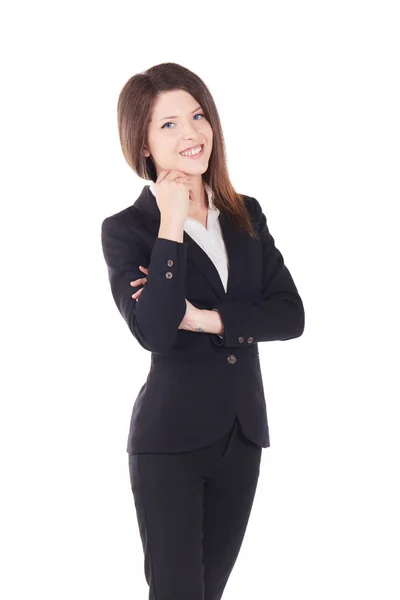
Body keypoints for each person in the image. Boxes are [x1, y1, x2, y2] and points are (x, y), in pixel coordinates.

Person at [101, 62, 305, 600]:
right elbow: (157, 333)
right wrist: (170, 222)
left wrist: (209, 320)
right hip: (169, 442)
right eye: (168, 124)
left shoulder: (245, 215)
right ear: (142, 143)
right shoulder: (127, 230)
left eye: (197, 115)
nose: (191, 133)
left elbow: (290, 315)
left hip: (242, 436)